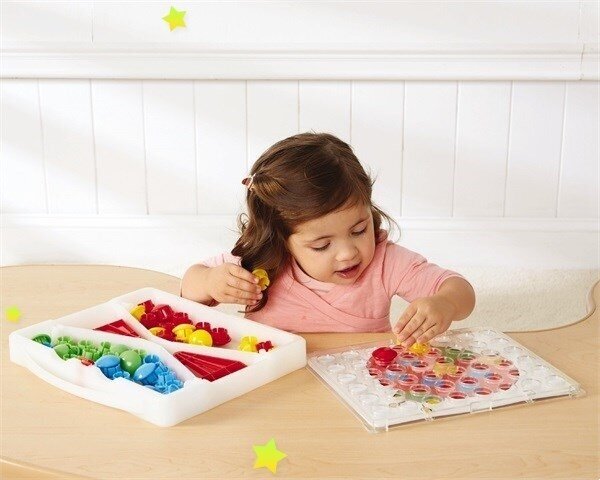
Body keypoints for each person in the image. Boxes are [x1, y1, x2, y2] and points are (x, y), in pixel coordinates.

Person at [181, 132, 475, 346]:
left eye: (359, 230)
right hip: (273, 382)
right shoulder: (260, 262)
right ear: (282, 239)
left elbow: (459, 289)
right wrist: (210, 282)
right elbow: (188, 288)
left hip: (358, 383)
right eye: (322, 245)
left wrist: (445, 303)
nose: (348, 253)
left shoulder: (385, 262)